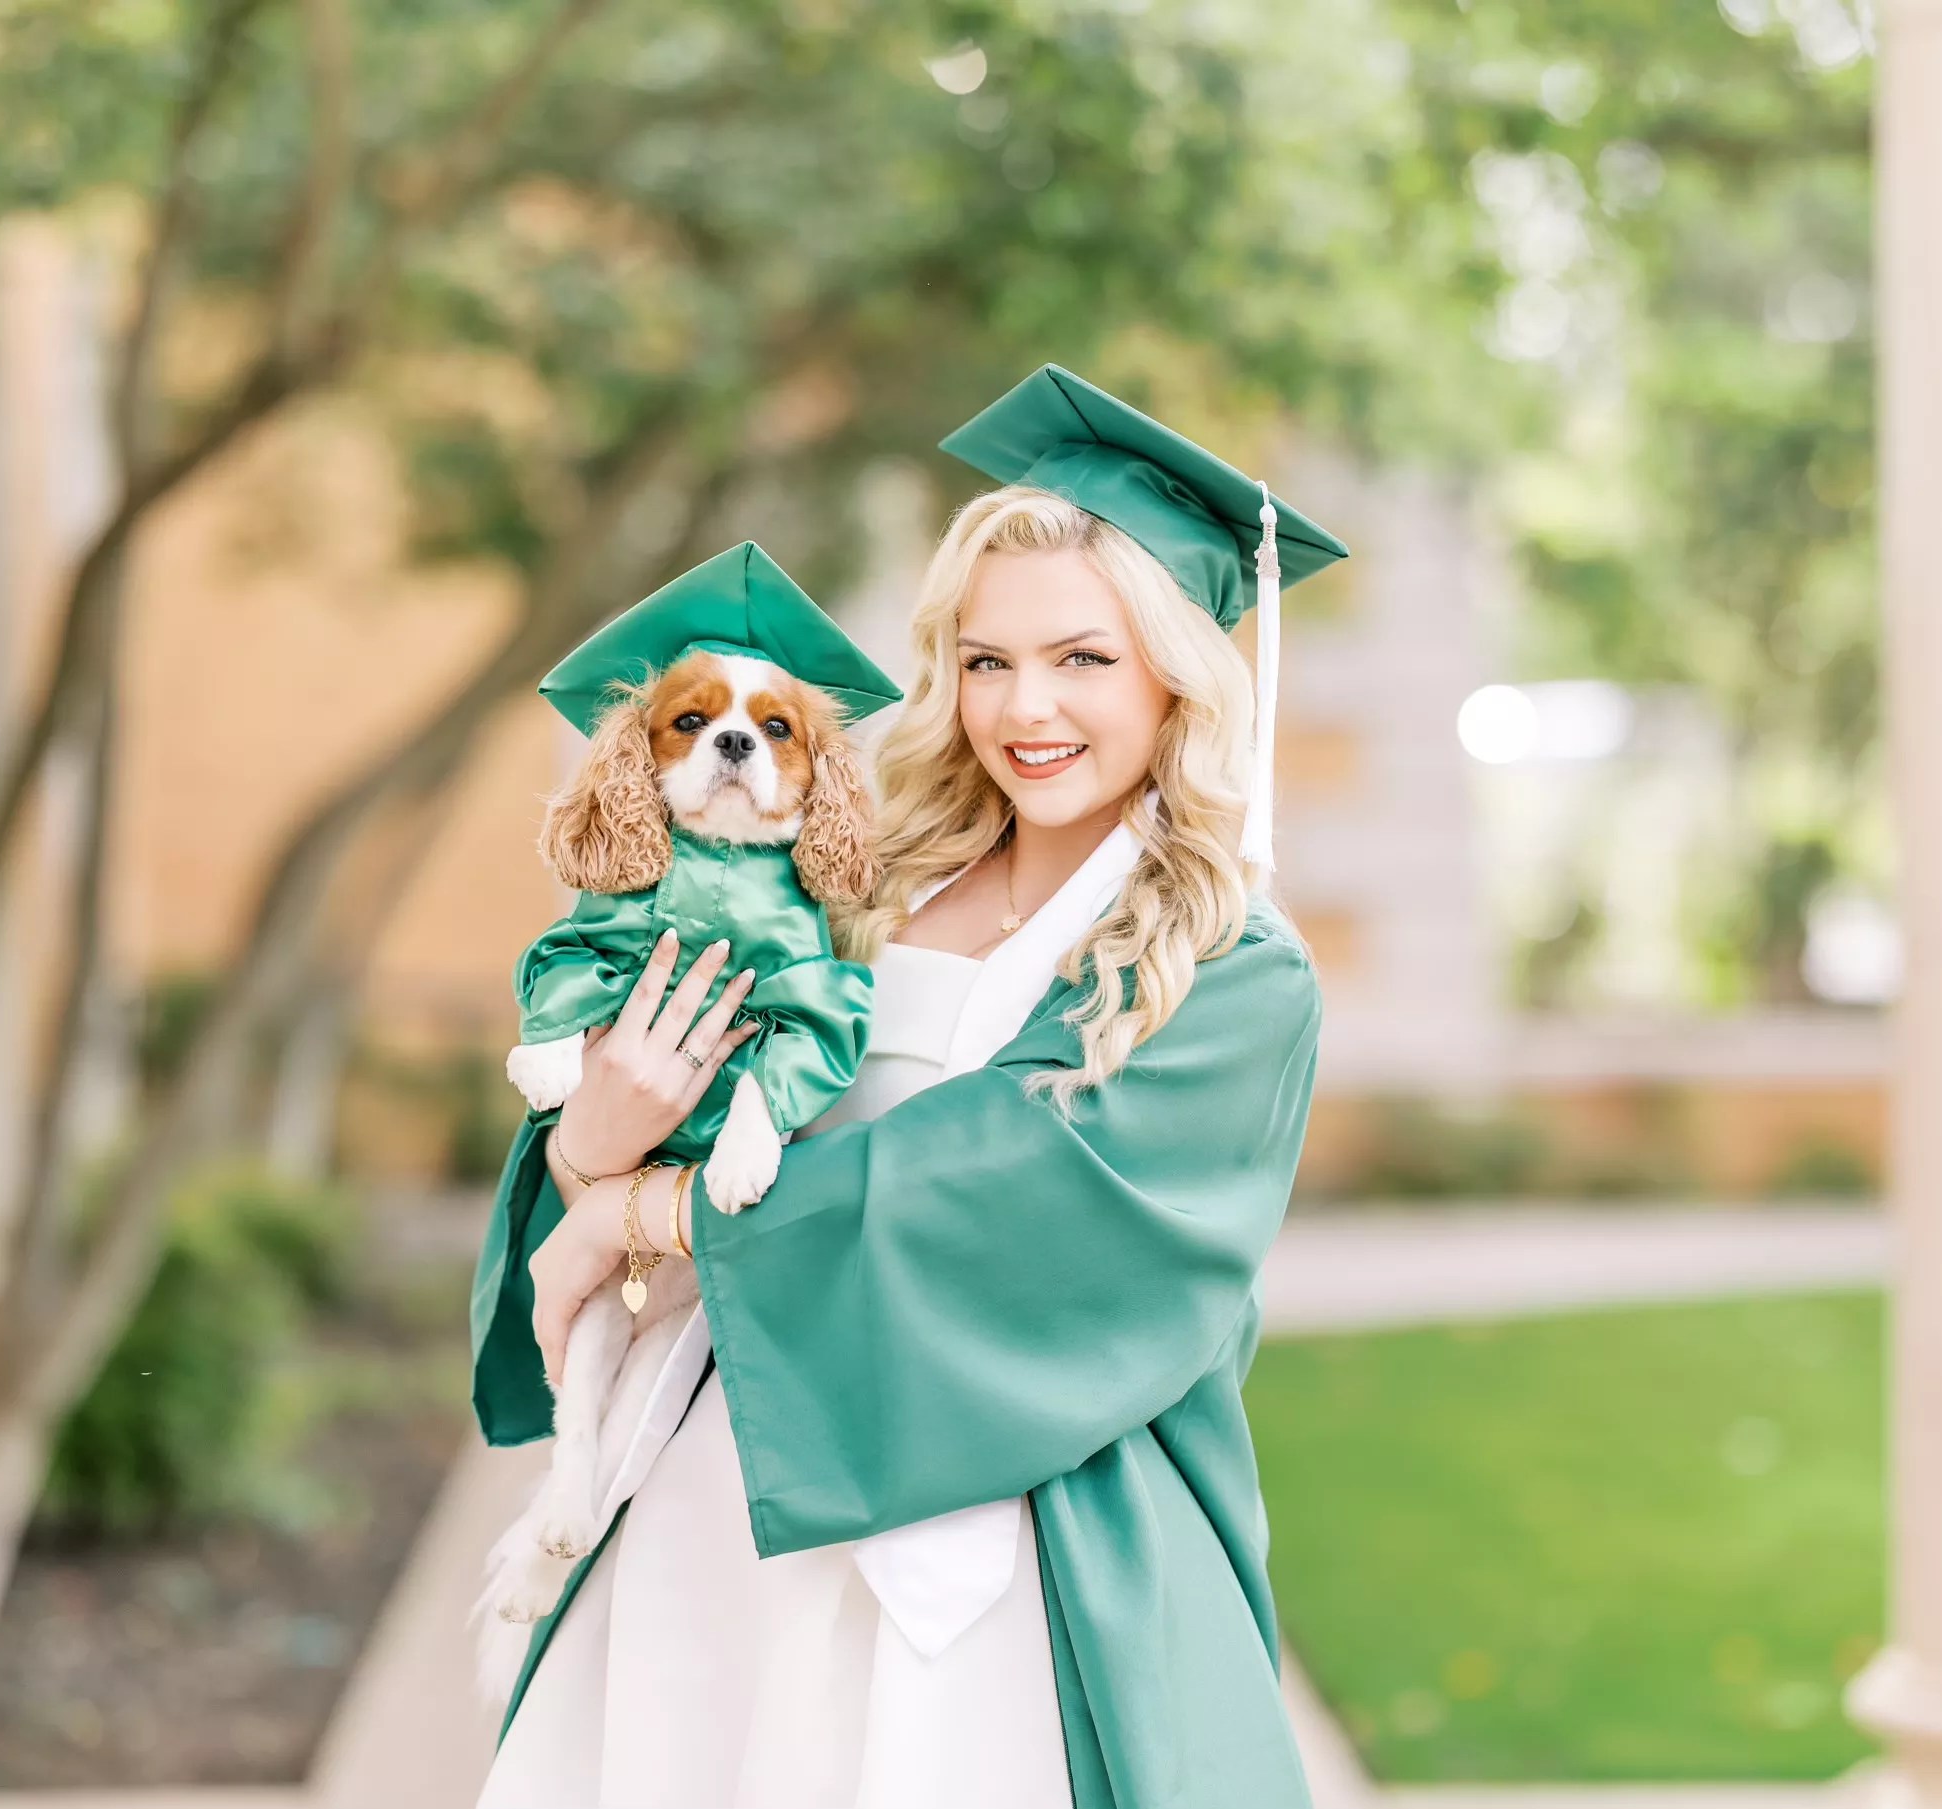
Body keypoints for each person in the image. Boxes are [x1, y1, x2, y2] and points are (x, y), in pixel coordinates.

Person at [468, 364, 1351, 1809]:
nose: (1026, 707)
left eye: (1084, 658)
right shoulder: (864, 884)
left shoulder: (1223, 962)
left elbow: (1020, 1198)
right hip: (722, 1491)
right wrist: (594, 1148)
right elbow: (636, 1140)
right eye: (986, 660)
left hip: (1007, 1548)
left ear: (1176, 674)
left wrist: (650, 1214)